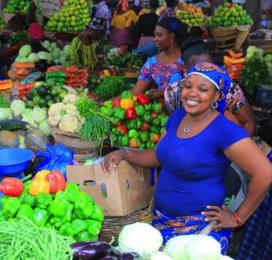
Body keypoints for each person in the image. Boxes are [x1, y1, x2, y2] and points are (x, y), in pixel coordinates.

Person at [102, 62, 272, 254]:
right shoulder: (178, 116)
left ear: (216, 95)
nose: (192, 93)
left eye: (203, 89)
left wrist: (238, 218)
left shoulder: (224, 130)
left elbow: (265, 173)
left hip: (200, 232)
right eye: (188, 86)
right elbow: (159, 157)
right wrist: (125, 153)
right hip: (160, 223)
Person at [164, 41, 256, 136]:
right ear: (185, 69)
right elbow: (173, 128)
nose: (207, 76)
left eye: (210, 69)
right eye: (198, 71)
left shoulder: (228, 88)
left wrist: (241, 148)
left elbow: (249, 122)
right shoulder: (173, 92)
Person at [129, 17, 186, 98]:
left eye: (159, 35)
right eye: (154, 35)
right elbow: (135, 91)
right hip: (159, 109)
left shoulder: (187, 60)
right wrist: (108, 102)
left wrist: (164, 92)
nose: (155, 39)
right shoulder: (152, 63)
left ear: (172, 36)